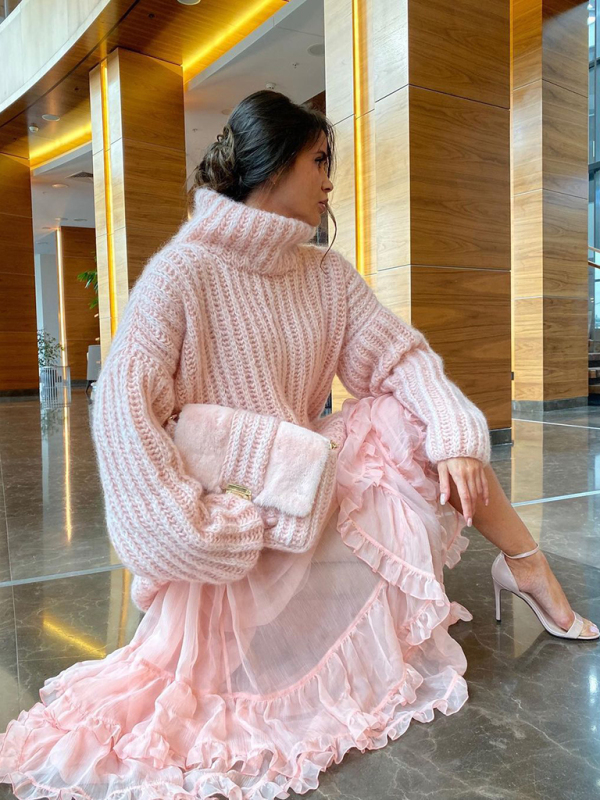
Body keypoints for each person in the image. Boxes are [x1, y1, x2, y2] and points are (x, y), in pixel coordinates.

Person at [0, 89, 597, 800]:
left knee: (407, 418)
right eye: (319, 161)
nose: (329, 182)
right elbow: (123, 411)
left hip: (304, 483)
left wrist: (457, 434)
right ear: (275, 163)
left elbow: (399, 358)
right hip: (231, 511)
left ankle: (526, 564)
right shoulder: (182, 273)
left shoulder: (326, 276)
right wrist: (199, 529)